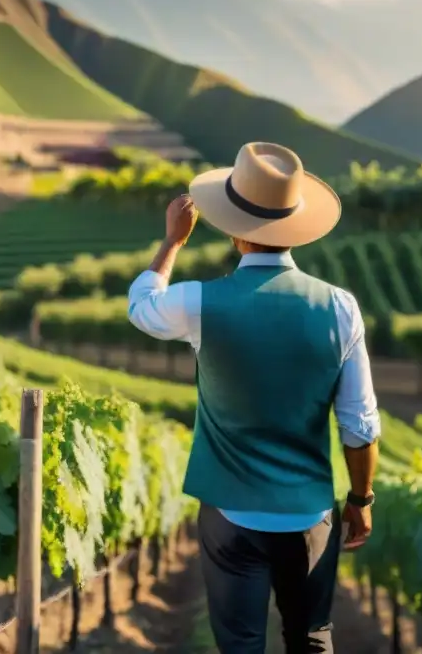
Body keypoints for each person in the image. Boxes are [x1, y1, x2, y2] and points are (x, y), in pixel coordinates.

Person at [126, 141, 380, 653]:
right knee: (311, 638)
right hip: (309, 514)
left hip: (230, 514)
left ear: (234, 230)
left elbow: (141, 306)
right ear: (294, 228)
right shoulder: (340, 308)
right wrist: (360, 500)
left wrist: (172, 241)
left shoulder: (201, 302)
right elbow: (359, 424)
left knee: (240, 644)